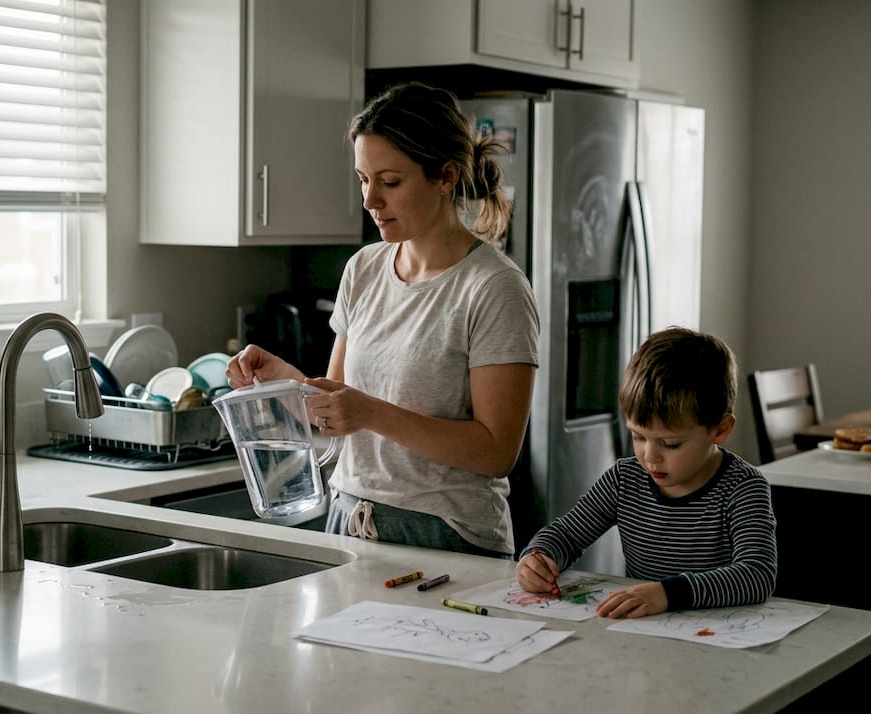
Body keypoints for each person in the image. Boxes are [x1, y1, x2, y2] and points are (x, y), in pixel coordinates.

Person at [226, 82, 539, 558]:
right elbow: (335, 416)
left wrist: (372, 412)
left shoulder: (493, 288)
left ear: (446, 177)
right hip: (349, 521)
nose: (371, 200)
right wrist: (283, 382)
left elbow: (496, 451)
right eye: (362, 179)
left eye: (390, 182)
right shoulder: (364, 269)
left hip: (447, 537)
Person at [516, 327, 777, 618]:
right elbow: (567, 534)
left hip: (721, 636)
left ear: (720, 430)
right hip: (643, 634)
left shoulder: (743, 488)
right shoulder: (624, 479)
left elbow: (756, 575)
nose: (649, 456)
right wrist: (538, 557)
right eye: (638, 437)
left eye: (671, 443)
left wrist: (668, 593)